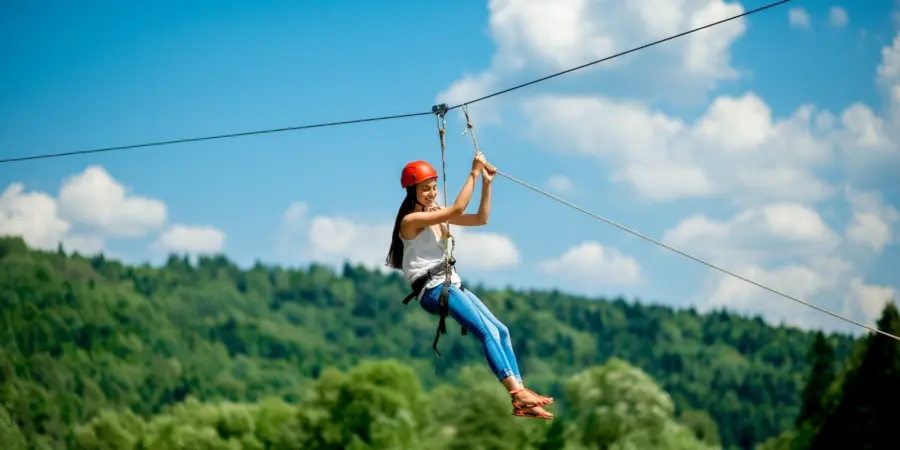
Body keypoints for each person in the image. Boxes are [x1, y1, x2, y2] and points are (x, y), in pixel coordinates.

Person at [385, 151, 554, 420]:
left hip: (451, 284)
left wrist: (486, 184)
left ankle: (522, 396)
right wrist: (473, 173)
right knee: (486, 331)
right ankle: (516, 393)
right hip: (433, 289)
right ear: (411, 191)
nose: (431, 193)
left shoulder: (437, 213)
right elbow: (458, 210)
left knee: (501, 331)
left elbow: (480, 219)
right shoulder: (410, 221)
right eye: (425, 189)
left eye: (433, 188)